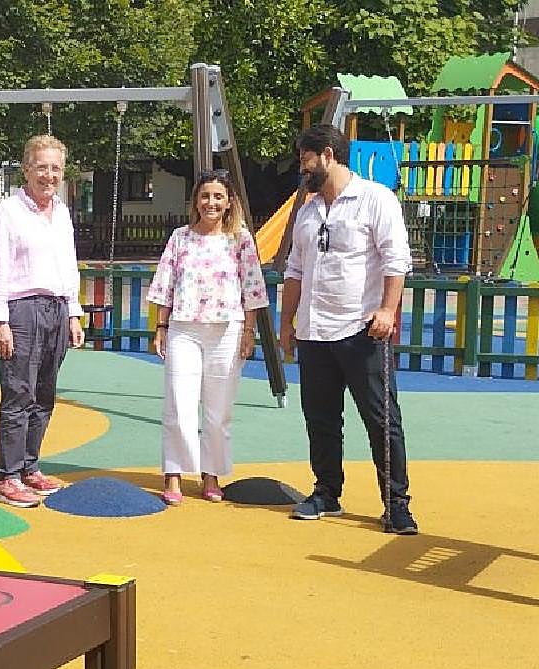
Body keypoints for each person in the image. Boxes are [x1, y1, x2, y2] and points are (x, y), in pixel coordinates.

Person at [279, 123, 418, 535]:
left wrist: (388, 311)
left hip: (362, 331)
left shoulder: (375, 199)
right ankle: (326, 492)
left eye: (305, 157)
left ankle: (396, 503)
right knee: (320, 418)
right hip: (315, 330)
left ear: (326, 155)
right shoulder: (306, 210)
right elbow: (294, 270)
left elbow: (396, 261)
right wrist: (287, 323)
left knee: (381, 418)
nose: (302, 167)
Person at [147, 170, 268, 505]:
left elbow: (252, 288)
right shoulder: (181, 238)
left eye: (218, 196)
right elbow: (165, 285)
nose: (211, 203)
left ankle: (211, 473)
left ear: (229, 202)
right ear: (195, 201)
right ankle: (173, 472)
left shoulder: (239, 239)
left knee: (218, 410)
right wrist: (161, 327)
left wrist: (248, 331)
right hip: (184, 329)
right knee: (179, 404)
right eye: (205, 196)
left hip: (227, 330)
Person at [0, 134, 86, 507]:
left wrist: (73, 311)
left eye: (55, 168)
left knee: (44, 392)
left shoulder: (61, 213)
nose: (49, 175)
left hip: (57, 307)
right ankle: (5, 476)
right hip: (22, 309)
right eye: (41, 167)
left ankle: (29, 466)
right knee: (19, 392)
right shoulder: (8, 212)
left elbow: (67, 265)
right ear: (26, 168)